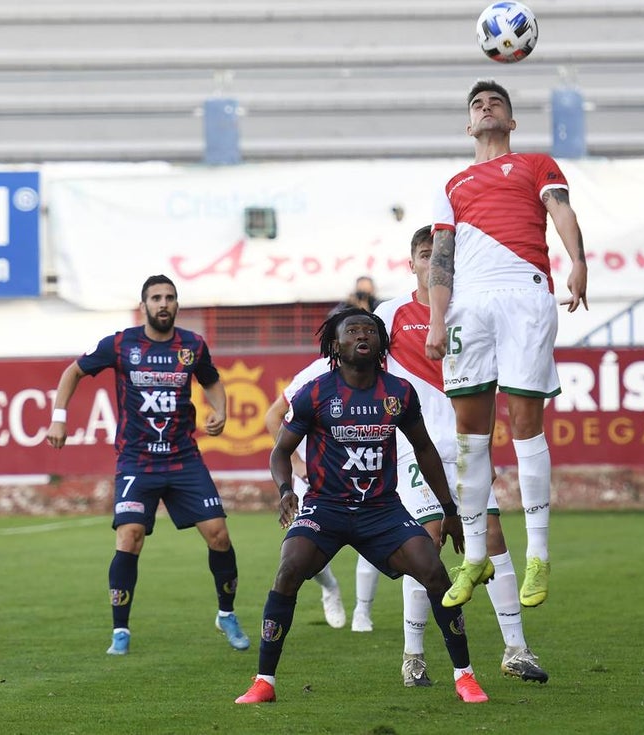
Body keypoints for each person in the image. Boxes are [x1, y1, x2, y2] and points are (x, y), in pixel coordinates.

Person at [234, 308, 488, 705]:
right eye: (352, 331)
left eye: (369, 330)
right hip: (326, 508)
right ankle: (264, 682)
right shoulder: (315, 392)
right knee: (288, 568)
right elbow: (280, 451)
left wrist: (449, 509)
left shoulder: (399, 392)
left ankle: (465, 677)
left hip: (382, 510)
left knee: (435, 572)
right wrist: (285, 489)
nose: (362, 335)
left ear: (381, 342)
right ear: (336, 345)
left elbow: (424, 448)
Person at [425, 79, 589, 610]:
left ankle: (538, 552)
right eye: (476, 104)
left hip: (524, 293)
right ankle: (474, 554)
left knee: (524, 422)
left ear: (511, 122)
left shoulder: (537, 165)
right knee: (469, 436)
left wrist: (577, 261)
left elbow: (560, 210)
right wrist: (435, 318)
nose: (485, 107)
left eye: (495, 103)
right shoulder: (451, 184)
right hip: (467, 305)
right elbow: (442, 256)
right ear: (468, 124)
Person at [370, 225, 548, 686]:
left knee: (491, 537)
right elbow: (355, 362)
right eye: (426, 255)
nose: (435, 263)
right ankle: (414, 656)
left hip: (468, 452)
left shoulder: (474, 311)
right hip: (415, 451)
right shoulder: (389, 315)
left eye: (442, 257)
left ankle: (516, 649)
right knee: (425, 539)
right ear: (412, 263)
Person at [46, 274, 249, 655]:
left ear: (177, 304)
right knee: (130, 537)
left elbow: (212, 380)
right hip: (137, 461)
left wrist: (220, 411)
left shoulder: (192, 345)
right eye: (156, 297)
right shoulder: (121, 344)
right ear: (144, 305)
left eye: (170, 297)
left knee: (219, 535)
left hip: (183, 459)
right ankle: (120, 631)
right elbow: (73, 371)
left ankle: (226, 613)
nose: (163, 303)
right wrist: (59, 416)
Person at [264, 358, 350, 630]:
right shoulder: (316, 372)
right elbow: (273, 415)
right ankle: (330, 588)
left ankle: (364, 614)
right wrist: (299, 463)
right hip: (315, 476)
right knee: (304, 554)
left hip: (365, 473)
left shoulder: (383, 372)